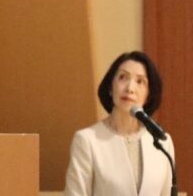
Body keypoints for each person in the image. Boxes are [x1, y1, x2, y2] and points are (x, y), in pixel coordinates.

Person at [64, 51, 174, 196]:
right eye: (123, 77)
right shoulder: (87, 140)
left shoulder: (162, 142)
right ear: (110, 87)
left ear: (148, 95)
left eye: (140, 81)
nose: (130, 88)